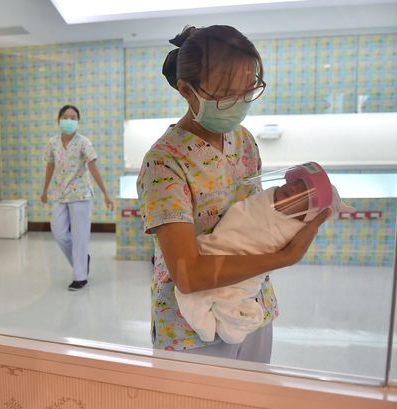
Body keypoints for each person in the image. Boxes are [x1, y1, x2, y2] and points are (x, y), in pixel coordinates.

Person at [136, 25, 330, 362]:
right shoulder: (164, 163)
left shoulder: (243, 141)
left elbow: (252, 217)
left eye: (248, 90)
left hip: (251, 305)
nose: (239, 103)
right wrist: (286, 256)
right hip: (191, 329)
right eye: (227, 94)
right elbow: (188, 274)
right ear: (186, 90)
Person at [176, 163, 354, 344]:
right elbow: (240, 217)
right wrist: (287, 257)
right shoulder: (262, 202)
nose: (292, 188)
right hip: (214, 252)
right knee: (191, 293)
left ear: (305, 215)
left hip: (247, 279)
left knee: (230, 304)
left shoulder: (291, 229)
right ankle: (209, 316)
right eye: (296, 183)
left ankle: (227, 314)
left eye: (302, 193)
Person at [40, 105, 114, 290]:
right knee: (58, 232)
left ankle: (80, 276)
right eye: (66, 117)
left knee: (80, 236)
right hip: (60, 193)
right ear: (59, 120)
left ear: (78, 122)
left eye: (73, 118)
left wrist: (106, 194)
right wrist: (44, 190)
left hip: (81, 193)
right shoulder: (52, 143)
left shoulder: (83, 142)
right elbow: (50, 166)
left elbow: (94, 168)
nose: (69, 120)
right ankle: (82, 260)